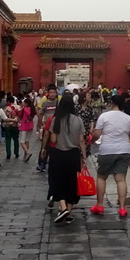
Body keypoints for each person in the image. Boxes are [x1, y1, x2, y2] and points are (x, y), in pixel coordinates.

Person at [89, 94, 130, 217]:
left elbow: (97, 134)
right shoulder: (128, 118)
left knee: (101, 177)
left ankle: (99, 205)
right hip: (124, 150)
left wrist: (92, 138)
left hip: (107, 150)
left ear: (112, 103)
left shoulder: (104, 116)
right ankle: (122, 208)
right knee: (121, 179)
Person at [47, 93, 86, 224]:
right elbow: (81, 140)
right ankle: (68, 212)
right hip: (73, 154)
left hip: (58, 154)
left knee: (58, 181)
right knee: (72, 183)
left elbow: (53, 139)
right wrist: (84, 156)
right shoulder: (78, 120)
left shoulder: (55, 120)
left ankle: (63, 207)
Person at [36, 85, 58, 173]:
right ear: (48, 94)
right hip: (47, 128)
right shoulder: (45, 103)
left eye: (53, 92)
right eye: (50, 93)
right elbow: (40, 113)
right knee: (44, 146)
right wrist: (40, 124)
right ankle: (42, 164)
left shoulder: (58, 102)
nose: (52, 94)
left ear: (56, 93)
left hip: (56, 128)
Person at [2, 94, 21, 159]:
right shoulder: (18, 107)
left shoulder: (6, 108)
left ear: (8, 101)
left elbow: (3, 117)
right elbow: (20, 117)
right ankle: (16, 153)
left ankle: (8, 154)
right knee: (16, 139)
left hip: (8, 125)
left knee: (8, 140)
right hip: (15, 125)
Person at [19, 96, 37, 162]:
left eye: (24, 102)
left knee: (22, 141)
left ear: (26, 103)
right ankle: (25, 155)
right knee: (27, 140)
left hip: (24, 126)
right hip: (30, 126)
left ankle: (27, 152)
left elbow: (19, 116)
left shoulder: (24, 109)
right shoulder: (32, 109)